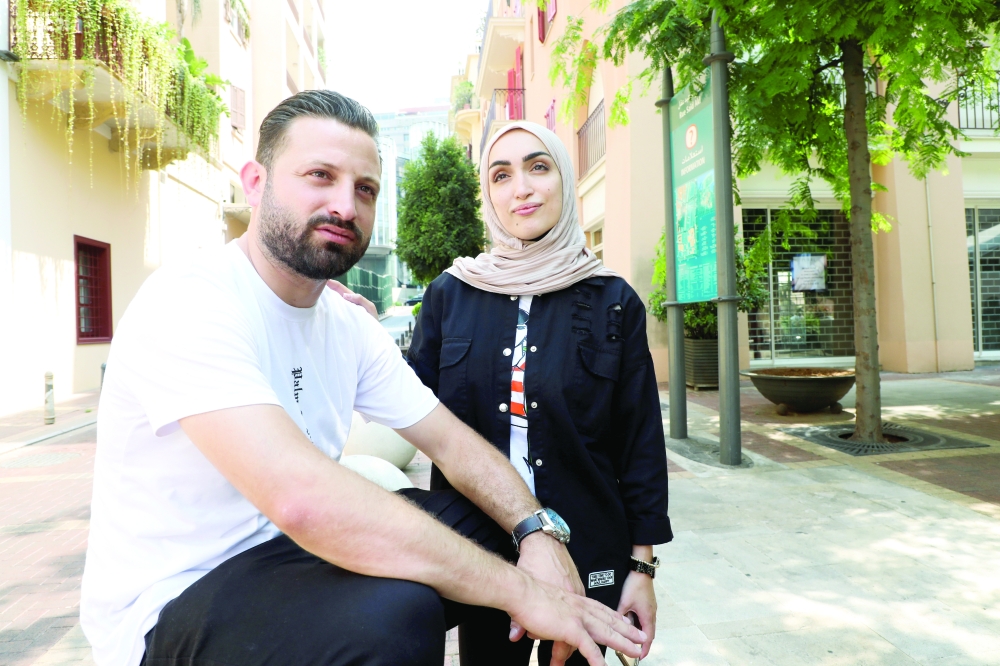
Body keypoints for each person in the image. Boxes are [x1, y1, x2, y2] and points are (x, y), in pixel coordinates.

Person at [79, 92, 646, 666]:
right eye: (320, 176)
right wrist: (523, 592)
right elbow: (301, 499)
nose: (345, 206)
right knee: (395, 617)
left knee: (495, 526)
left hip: (290, 562)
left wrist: (537, 532)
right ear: (255, 183)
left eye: (366, 189)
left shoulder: (345, 324)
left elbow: (454, 443)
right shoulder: (190, 300)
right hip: (175, 605)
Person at [407, 121, 672, 664]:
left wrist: (641, 569)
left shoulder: (613, 301)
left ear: (564, 179)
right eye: (501, 175)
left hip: (589, 553)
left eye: (538, 167)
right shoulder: (450, 295)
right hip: (481, 555)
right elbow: (407, 403)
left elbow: (639, 444)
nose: (521, 189)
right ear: (488, 194)